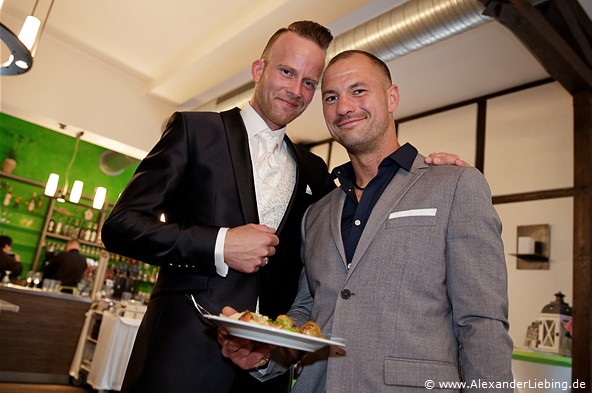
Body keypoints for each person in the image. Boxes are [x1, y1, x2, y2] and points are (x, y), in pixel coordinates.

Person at [101, 21, 466, 393]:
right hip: (185, 353)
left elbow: (362, 211)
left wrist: (426, 171)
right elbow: (121, 225)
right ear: (259, 70)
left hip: (266, 372)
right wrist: (220, 244)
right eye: (287, 72)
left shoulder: (314, 170)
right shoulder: (195, 131)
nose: (296, 90)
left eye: (309, 82)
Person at [219, 50, 513, 392]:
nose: (343, 107)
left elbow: (482, 324)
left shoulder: (455, 184)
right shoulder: (317, 212)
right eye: (331, 97)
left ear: (391, 98)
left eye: (358, 91)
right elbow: (309, 310)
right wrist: (264, 352)